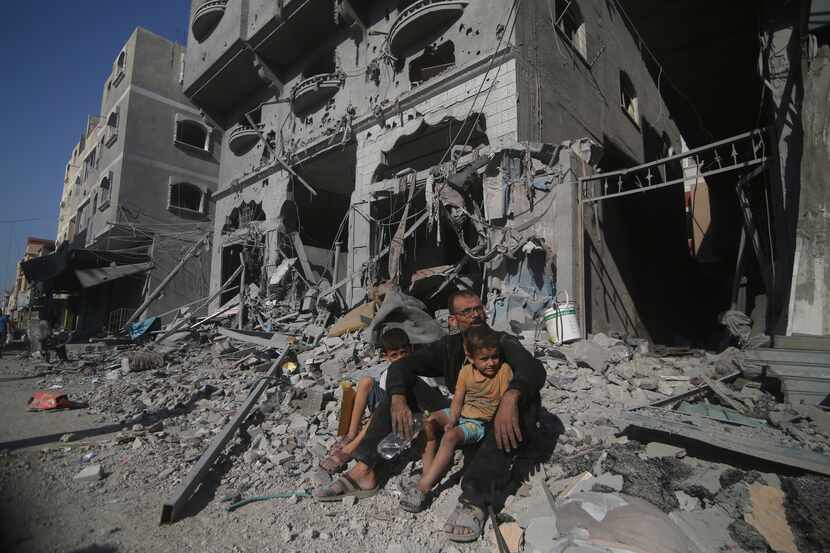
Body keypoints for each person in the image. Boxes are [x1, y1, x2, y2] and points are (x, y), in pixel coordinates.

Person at [313, 290, 547, 543]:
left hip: (497, 417)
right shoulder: (450, 347)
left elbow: (533, 369)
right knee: (400, 389)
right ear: (454, 320)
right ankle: (364, 471)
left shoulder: (500, 342)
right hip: (463, 411)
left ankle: (475, 500)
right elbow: (403, 366)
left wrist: (511, 397)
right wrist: (399, 397)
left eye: (478, 308)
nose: (475, 315)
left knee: (521, 402)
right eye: (466, 311)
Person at [400, 325, 513, 513]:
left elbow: (504, 405)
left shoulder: (503, 372)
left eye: (495, 357)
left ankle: (424, 488)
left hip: (479, 423)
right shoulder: (466, 372)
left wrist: (455, 427)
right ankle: (429, 471)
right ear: (471, 358)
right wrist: (452, 419)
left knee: (450, 437)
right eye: (484, 359)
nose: (491, 363)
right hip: (462, 414)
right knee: (428, 422)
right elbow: (458, 400)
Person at [318, 328, 412, 474]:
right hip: (384, 404)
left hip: (397, 414)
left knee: (383, 406)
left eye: (403, 353)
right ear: (386, 357)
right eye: (394, 355)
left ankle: (350, 449)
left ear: (410, 350)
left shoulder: (415, 370)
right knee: (366, 381)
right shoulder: (389, 371)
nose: (400, 358)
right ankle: (351, 434)